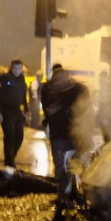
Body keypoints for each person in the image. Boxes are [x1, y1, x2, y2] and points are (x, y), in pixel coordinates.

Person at [41, 64, 91, 198]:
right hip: (59, 134)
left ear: (67, 78)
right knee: (60, 166)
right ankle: (62, 195)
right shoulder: (50, 91)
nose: (57, 83)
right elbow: (48, 109)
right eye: (55, 80)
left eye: (59, 80)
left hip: (76, 134)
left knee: (77, 165)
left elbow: (86, 110)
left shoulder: (79, 89)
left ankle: (77, 193)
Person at [0, 59, 28, 169]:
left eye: (19, 68)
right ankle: (9, 162)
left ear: (22, 69)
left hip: (17, 110)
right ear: (11, 68)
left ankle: (11, 157)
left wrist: (26, 109)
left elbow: (23, 96)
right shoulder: (5, 78)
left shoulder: (22, 80)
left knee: (19, 136)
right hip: (6, 110)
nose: (16, 71)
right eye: (14, 68)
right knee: (10, 136)